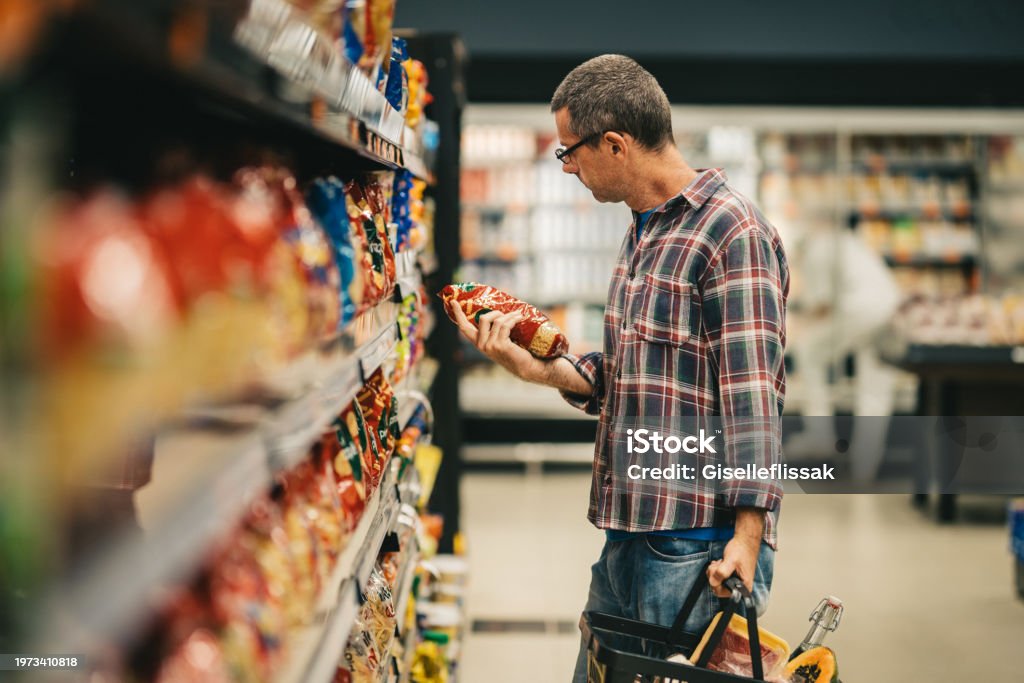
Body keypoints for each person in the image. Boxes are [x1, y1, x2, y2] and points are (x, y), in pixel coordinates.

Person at [447, 55, 788, 681]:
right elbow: (627, 376)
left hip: (696, 544)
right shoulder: (644, 232)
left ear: (615, 144)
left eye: (569, 151)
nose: (568, 166)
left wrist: (748, 537)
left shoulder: (730, 233)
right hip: (629, 532)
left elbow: (754, 400)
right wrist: (536, 369)